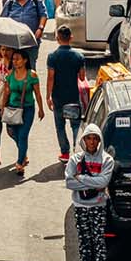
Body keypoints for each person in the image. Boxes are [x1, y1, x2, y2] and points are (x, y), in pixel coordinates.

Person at [64, 122, 115, 261]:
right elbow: (69, 182)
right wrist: (94, 183)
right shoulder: (75, 159)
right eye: (89, 138)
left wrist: (82, 178)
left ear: (99, 141)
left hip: (98, 206)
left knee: (99, 240)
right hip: (80, 206)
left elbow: (104, 181)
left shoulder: (107, 160)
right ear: (83, 140)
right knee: (84, 241)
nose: (92, 142)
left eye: (95, 139)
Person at [0, 49, 44, 176]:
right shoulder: (10, 75)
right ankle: (23, 154)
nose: (15, 61)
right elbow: (6, 92)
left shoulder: (32, 75)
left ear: (25, 60)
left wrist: (41, 109)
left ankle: (20, 163)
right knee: (13, 133)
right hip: (12, 109)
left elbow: (38, 94)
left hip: (28, 109)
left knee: (23, 135)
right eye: (13, 59)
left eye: (18, 59)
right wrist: (3, 107)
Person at [48, 24, 87, 161]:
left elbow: (50, 77)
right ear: (71, 37)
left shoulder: (52, 56)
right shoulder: (78, 56)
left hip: (58, 97)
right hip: (73, 96)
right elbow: (82, 77)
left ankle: (65, 153)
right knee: (75, 125)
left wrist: (48, 96)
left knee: (60, 126)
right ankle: (78, 150)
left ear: (57, 38)